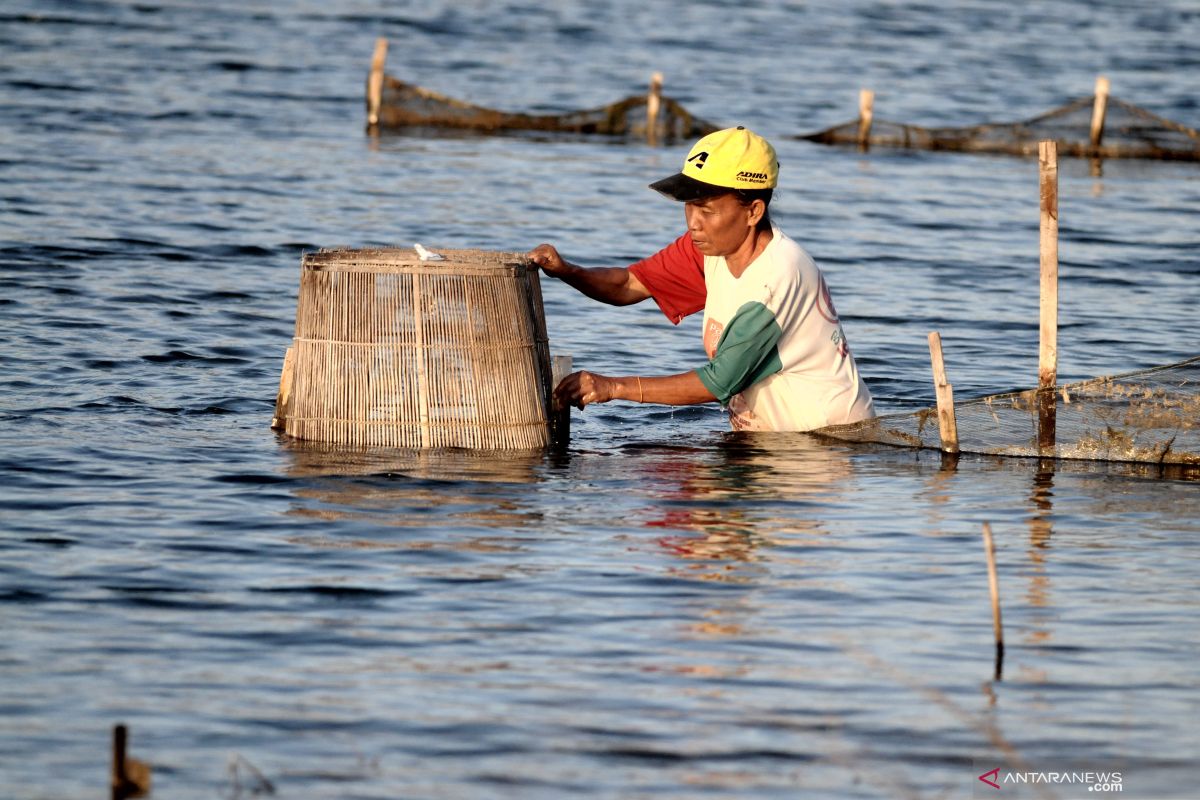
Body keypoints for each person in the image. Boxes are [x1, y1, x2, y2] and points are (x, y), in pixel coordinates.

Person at [527, 126, 874, 432]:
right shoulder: (711, 249)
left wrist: (613, 388)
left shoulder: (777, 278)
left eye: (706, 209)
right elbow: (628, 285)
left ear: (753, 211)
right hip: (773, 443)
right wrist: (566, 270)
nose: (693, 222)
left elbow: (719, 381)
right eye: (689, 205)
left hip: (824, 446)